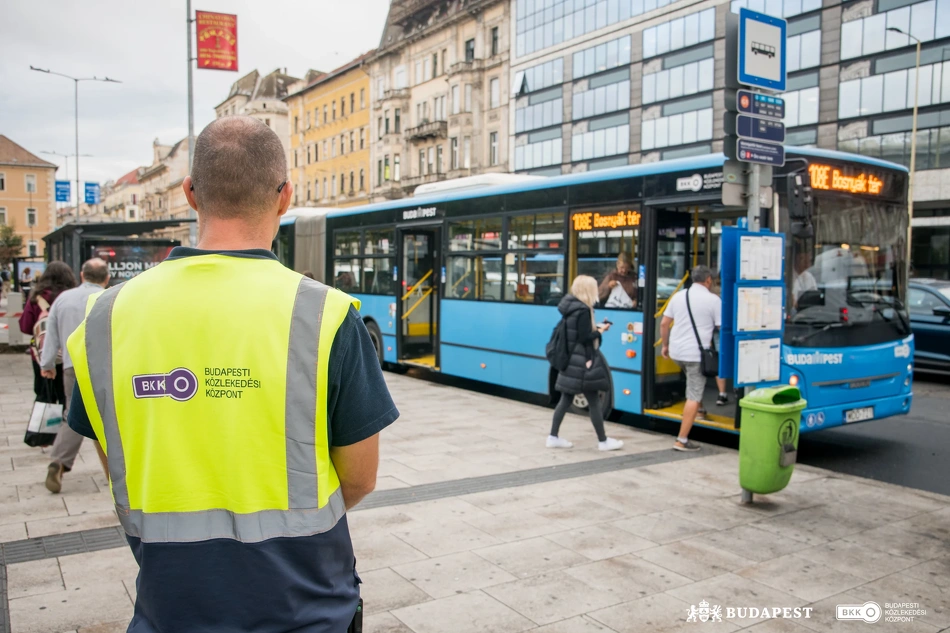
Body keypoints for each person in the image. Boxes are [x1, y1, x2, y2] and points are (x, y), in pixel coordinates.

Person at [65, 116, 399, 633]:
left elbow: (121, 471)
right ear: (285, 196)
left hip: (171, 610)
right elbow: (360, 477)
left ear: (190, 193)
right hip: (308, 609)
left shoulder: (104, 321)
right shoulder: (326, 315)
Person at [39, 258, 111, 493]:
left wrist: (47, 363)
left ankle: (59, 460)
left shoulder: (63, 299)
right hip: (107, 366)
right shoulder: (111, 297)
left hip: (73, 365)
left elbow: (50, 333)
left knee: (75, 412)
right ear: (107, 277)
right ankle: (113, 472)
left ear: (82, 275)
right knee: (107, 418)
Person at [547, 275, 624, 451]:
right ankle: (603, 441)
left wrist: (595, 328)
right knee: (594, 401)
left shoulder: (571, 308)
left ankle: (553, 437)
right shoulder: (583, 310)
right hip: (582, 361)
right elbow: (584, 337)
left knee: (566, 400)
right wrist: (601, 330)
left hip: (572, 360)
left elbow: (578, 333)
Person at [660, 265, 722, 452]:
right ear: (709, 280)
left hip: (677, 352)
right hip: (696, 354)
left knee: (694, 381)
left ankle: (701, 411)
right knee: (693, 394)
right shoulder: (713, 300)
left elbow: (664, 323)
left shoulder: (679, 296)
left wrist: (665, 345)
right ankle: (682, 439)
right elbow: (721, 327)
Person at [19, 262, 77, 406]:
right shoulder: (71, 297)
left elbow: (25, 326)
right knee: (67, 396)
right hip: (67, 354)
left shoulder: (36, 298)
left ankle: (44, 425)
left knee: (44, 394)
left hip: (41, 354)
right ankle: (65, 425)